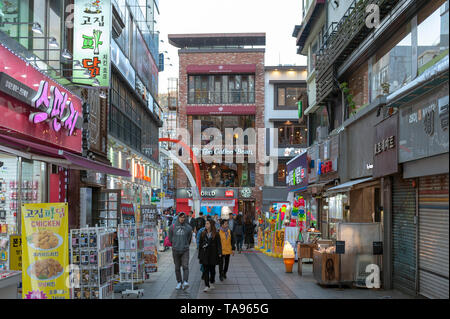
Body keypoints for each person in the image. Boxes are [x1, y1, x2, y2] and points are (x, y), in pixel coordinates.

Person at [168, 212, 193, 290]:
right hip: (175, 250)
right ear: (178, 217)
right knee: (177, 267)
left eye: (183, 217)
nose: (182, 218)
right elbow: (170, 237)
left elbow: (189, 238)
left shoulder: (188, 228)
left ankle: (185, 281)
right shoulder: (172, 227)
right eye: (181, 217)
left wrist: (185, 244)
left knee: (185, 266)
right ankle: (179, 282)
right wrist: (174, 244)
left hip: (185, 250)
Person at [198, 219, 222, 292]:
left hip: (213, 254)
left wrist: (220, 253)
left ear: (211, 225)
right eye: (206, 224)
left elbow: (219, 244)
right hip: (205, 254)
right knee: (205, 270)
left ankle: (211, 282)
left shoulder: (216, 234)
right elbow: (200, 245)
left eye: (207, 223)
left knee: (212, 270)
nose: (206, 225)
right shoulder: (203, 233)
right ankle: (206, 285)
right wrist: (199, 255)